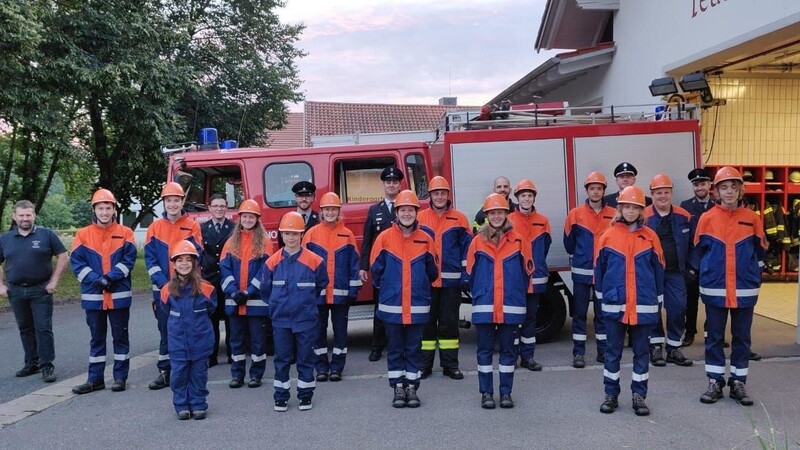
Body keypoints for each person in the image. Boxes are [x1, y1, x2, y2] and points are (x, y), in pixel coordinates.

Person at [695, 166, 767, 406]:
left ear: (740, 190)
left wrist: (753, 276)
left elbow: (760, 251)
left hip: (744, 288)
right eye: (724, 187)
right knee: (714, 337)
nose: (729, 192)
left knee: (742, 338)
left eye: (733, 187)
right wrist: (707, 274)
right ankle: (715, 381)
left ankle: (738, 382)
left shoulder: (752, 218)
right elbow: (698, 251)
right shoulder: (707, 218)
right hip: (715, 288)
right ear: (716, 191)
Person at [595, 186, 665, 417]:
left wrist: (657, 303)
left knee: (641, 352)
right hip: (615, 305)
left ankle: (639, 396)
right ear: (620, 208)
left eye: (635, 207)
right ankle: (610, 394)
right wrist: (604, 299)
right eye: (627, 206)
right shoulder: (608, 236)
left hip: (643, 304)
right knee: (612, 352)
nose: (631, 211)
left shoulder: (650, 237)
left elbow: (659, 271)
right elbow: (600, 271)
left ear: (641, 210)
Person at [370, 190, 438, 408]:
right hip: (392, 306)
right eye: (403, 210)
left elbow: (433, 272)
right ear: (396, 212)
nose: (407, 213)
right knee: (396, 348)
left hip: (417, 305)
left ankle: (412, 387)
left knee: (413, 348)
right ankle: (398, 387)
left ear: (416, 212)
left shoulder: (426, 239)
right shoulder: (384, 238)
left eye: (410, 209)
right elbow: (376, 271)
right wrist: (391, 289)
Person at [70, 189, 138, 394]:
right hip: (94, 297)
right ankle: (95, 379)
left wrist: (110, 277)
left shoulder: (126, 233)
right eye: (101, 208)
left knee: (120, 338)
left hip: (118, 296)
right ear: (94, 209)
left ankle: (120, 378)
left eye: (108, 207)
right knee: (96, 339)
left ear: (114, 209)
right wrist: (96, 279)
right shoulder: (83, 234)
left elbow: (129, 261)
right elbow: (77, 263)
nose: (104, 212)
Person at [467, 193, 531, 409]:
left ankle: (505, 393)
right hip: (485, 305)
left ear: (507, 214)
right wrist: (482, 292)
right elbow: (470, 274)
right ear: (486, 215)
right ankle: (486, 393)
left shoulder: (519, 240)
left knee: (508, 352)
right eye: (492, 213)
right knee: (484, 351)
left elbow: (526, 273)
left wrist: (514, 293)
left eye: (500, 212)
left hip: (510, 306)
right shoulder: (477, 241)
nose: (496, 216)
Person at [261, 212, 328, 412]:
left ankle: (305, 396)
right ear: (281, 235)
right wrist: (277, 307)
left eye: (295, 233)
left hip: (306, 320)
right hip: (281, 321)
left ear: (302, 235)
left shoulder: (315, 261)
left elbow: (321, 285)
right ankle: (281, 397)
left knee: (306, 359)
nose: (291, 238)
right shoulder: (272, 262)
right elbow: (266, 291)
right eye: (287, 233)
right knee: (281, 360)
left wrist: (307, 306)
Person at [0, 200, 68, 383]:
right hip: (15, 291)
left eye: (28, 215)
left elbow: (63, 255)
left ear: (34, 215)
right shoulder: (5, 239)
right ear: (14, 216)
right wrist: (1, 285)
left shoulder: (46, 235)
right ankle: (32, 363)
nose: (24, 218)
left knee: (43, 328)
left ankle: (47, 366)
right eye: (21, 215)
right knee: (25, 328)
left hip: (41, 290)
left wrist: (54, 280)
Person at [145, 182, 203, 390]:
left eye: (176, 200)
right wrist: (164, 284)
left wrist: (183, 282)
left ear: (182, 202)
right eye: (168, 200)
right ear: (164, 202)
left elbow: (198, 257)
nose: (172, 204)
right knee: (165, 330)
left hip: (188, 288)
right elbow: (150, 261)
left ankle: (186, 369)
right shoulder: (154, 228)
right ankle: (165, 371)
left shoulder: (193, 226)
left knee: (188, 328)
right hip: (163, 289)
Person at [303, 192, 362, 382]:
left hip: (340, 295)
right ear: (321, 212)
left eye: (333, 209)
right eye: (327, 209)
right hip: (317, 295)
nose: (330, 212)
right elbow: (305, 264)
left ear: (339, 212)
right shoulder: (311, 234)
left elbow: (354, 264)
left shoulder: (348, 234)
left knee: (340, 333)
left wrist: (353, 290)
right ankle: (320, 367)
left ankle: (337, 367)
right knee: (317, 332)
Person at [418, 176, 471, 380]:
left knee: (449, 324)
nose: (439, 197)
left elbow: (467, 251)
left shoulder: (459, 219)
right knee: (426, 325)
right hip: (427, 283)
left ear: (448, 195)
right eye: (435, 193)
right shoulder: (420, 218)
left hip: (451, 283)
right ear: (430, 195)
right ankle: (424, 365)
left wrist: (466, 276)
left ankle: (450, 366)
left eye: (443, 193)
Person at [219, 199, 275, 388]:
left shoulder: (265, 242)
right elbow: (224, 270)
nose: (248, 219)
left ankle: (256, 375)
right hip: (234, 301)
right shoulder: (230, 242)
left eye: (251, 217)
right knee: (235, 341)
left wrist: (249, 292)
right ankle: (237, 375)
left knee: (258, 342)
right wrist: (234, 292)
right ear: (240, 218)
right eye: (245, 216)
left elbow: (265, 272)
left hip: (256, 302)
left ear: (257, 219)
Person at [563, 172, 614, 368]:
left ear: (603, 191)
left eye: (599, 188)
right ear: (587, 190)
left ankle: (603, 351)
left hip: (604, 273)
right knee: (580, 314)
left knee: (602, 314)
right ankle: (578, 353)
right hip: (582, 272)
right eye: (592, 188)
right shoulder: (575, 214)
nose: (595, 191)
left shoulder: (613, 214)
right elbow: (569, 243)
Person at [160, 240, 216, 420]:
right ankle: (182, 405)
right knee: (178, 376)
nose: (184, 264)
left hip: (200, 342)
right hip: (177, 343)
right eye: (179, 260)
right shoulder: (166, 290)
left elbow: (212, 309)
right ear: (174, 264)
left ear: (194, 263)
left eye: (188, 260)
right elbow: (165, 310)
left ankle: (199, 404)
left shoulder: (207, 289)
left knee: (199, 375)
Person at [643, 174, 694, 368]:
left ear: (671, 193)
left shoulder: (684, 216)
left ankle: (674, 347)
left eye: (666, 192)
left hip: (675, 273)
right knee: (653, 309)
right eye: (658, 193)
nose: (662, 196)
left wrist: (691, 267)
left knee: (678, 308)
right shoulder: (644, 216)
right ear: (652, 194)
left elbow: (693, 244)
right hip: (652, 273)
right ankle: (655, 346)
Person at [507, 179, 551, 372]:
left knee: (531, 319)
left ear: (534, 198)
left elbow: (545, 247)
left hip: (536, 278)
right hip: (515, 279)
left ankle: (528, 357)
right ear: (517, 198)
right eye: (523, 195)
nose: (526, 199)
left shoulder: (543, 220)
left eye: (529, 195)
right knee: (514, 320)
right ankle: (512, 357)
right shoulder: (509, 220)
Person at [360, 166, 403, 362]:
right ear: (384, 185)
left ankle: (401, 345)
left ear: (399, 184)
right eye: (388, 182)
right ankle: (377, 346)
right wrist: (363, 266)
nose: (391, 184)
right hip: (382, 269)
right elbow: (367, 240)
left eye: (395, 182)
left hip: (403, 266)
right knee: (380, 308)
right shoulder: (374, 210)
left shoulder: (407, 207)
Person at [679, 168, 713, 347]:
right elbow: (684, 237)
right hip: (693, 261)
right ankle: (690, 332)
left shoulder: (718, 205)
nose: (699, 187)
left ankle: (712, 334)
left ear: (709, 185)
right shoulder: (685, 206)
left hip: (713, 261)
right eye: (696, 184)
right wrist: (687, 263)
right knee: (690, 301)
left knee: (712, 301)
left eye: (703, 184)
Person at [200, 193, 235, 366]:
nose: (219, 209)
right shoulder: (202, 228)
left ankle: (231, 353)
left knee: (230, 317)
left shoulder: (234, 227)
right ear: (210, 208)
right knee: (211, 318)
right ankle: (211, 355)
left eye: (222, 206)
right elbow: (199, 253)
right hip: (209, 279)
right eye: (216, 206)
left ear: (227, 208)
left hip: (228, 278)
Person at [277, 180, 319, 248]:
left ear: (312, 198)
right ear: (296, 198)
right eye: (301, 196)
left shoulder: (319, 220)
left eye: (307, 196)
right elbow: (282, 246)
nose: (304, 199)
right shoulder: (286, 219)